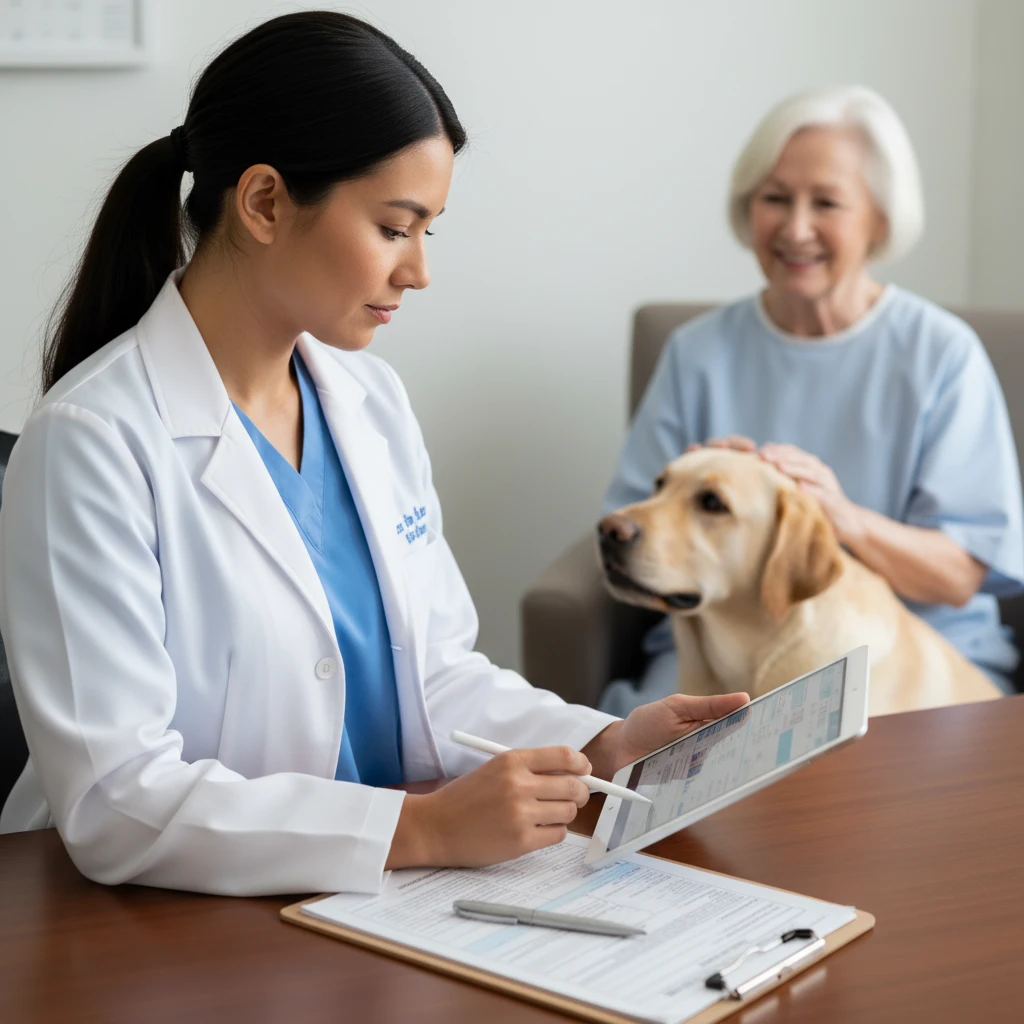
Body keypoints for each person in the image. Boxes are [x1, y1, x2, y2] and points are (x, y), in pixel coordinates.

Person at [0, 12, 747, 895]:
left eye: (430, 230)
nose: (419, 270)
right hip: (147, 920)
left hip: (369, 896)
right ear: (266, 202)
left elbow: (431, 673)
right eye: (396, 227)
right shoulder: (93, 441)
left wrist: (598, 745)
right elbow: (117, 803)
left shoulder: (368, 401)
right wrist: (421, 826)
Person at [600, 85, 1024, 717]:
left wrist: (842, 519)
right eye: (775, 199)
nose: (796, 229)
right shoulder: (697, 352)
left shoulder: (941, 354)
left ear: (879, 219)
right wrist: (706, 497)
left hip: (915, 655)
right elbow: (637, 542)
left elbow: (962, 573)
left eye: (826, 202)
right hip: (717, 648)